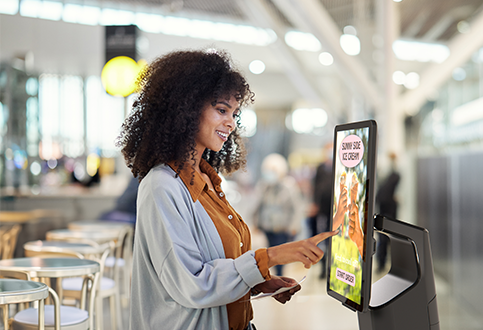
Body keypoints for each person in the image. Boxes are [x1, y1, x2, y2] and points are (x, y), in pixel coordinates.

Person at [117, 49, 337, 330]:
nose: (231, 122)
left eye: (234, 113)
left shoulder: (207, 180)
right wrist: (270, 258)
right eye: (221, 110)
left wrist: (257, 282)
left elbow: (215, 264)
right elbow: (192, 284)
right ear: (185, 108)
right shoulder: (161, 186)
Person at [252, 153, 304, 276]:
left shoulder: (290, 186)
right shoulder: (263, 186)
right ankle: (274, 276)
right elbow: (257, 206)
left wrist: (294, 227)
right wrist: (255, 223)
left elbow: (297, 208)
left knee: (280, 256)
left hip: (283, 228)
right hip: (267, 227)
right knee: (268, 254)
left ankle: (279, 277)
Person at [309, 142, 333, 278]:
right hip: (322, 209)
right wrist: (314, 204)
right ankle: (323, 267)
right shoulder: (320, 168)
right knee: (322, 237)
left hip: (334, 209)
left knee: (332, 239)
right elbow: (315, 187)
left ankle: (332, 267)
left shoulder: (338, 166)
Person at [375, 152, 400, 271]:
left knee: (389, 238)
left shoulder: (395, 175)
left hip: (390, 211)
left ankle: (389, 262)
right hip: (382, 209)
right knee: (382, 238)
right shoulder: (382, 176)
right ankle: (381, 262)